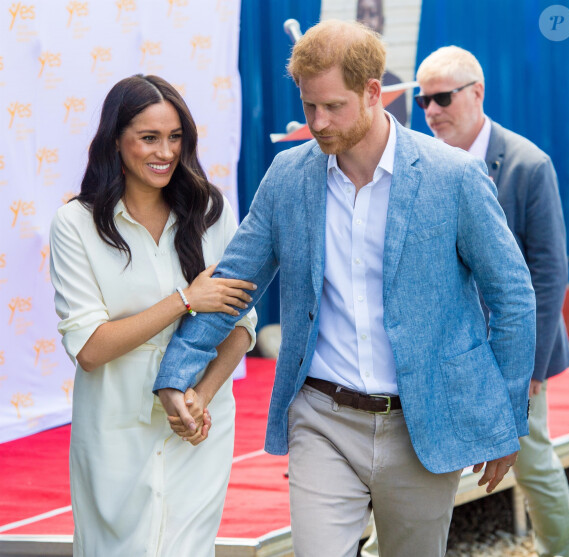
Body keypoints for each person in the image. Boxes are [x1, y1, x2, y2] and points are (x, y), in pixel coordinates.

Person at [155, 21, 536, 557]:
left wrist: (505, 418)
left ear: (373, 91)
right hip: (321, 418)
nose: (317, 122)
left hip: (423, 423)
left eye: (332, 106)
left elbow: (513, 297)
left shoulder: (454, 178)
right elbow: (232, 284)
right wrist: (177, 372)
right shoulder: (288, 177)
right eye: (309, 106)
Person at [49, 74, 257, 557]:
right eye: (149, 137)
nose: (165, 151)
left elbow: (241, 325)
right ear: (114, 141)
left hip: (197, 426)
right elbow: (90, 348)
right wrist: (185, 300)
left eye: (175, 136)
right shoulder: (75, 225)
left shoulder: (212, 209)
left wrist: (200, 398)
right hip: (114, 429)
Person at [415, 45, 569, 557]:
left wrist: (529, 363)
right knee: (415, 472)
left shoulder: (529, 164)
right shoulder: (423, 163)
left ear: (477, 93)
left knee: (532, 464)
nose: (431, 111)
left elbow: (549, 271)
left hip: (510, 351)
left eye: (442, 97)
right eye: (423, 101)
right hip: (443, 351)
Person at [356, 0, 408, 125]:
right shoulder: (343, 80)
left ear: (382, 22)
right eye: (360, 14)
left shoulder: (396, 85)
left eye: (372, 14)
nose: (365, 21)